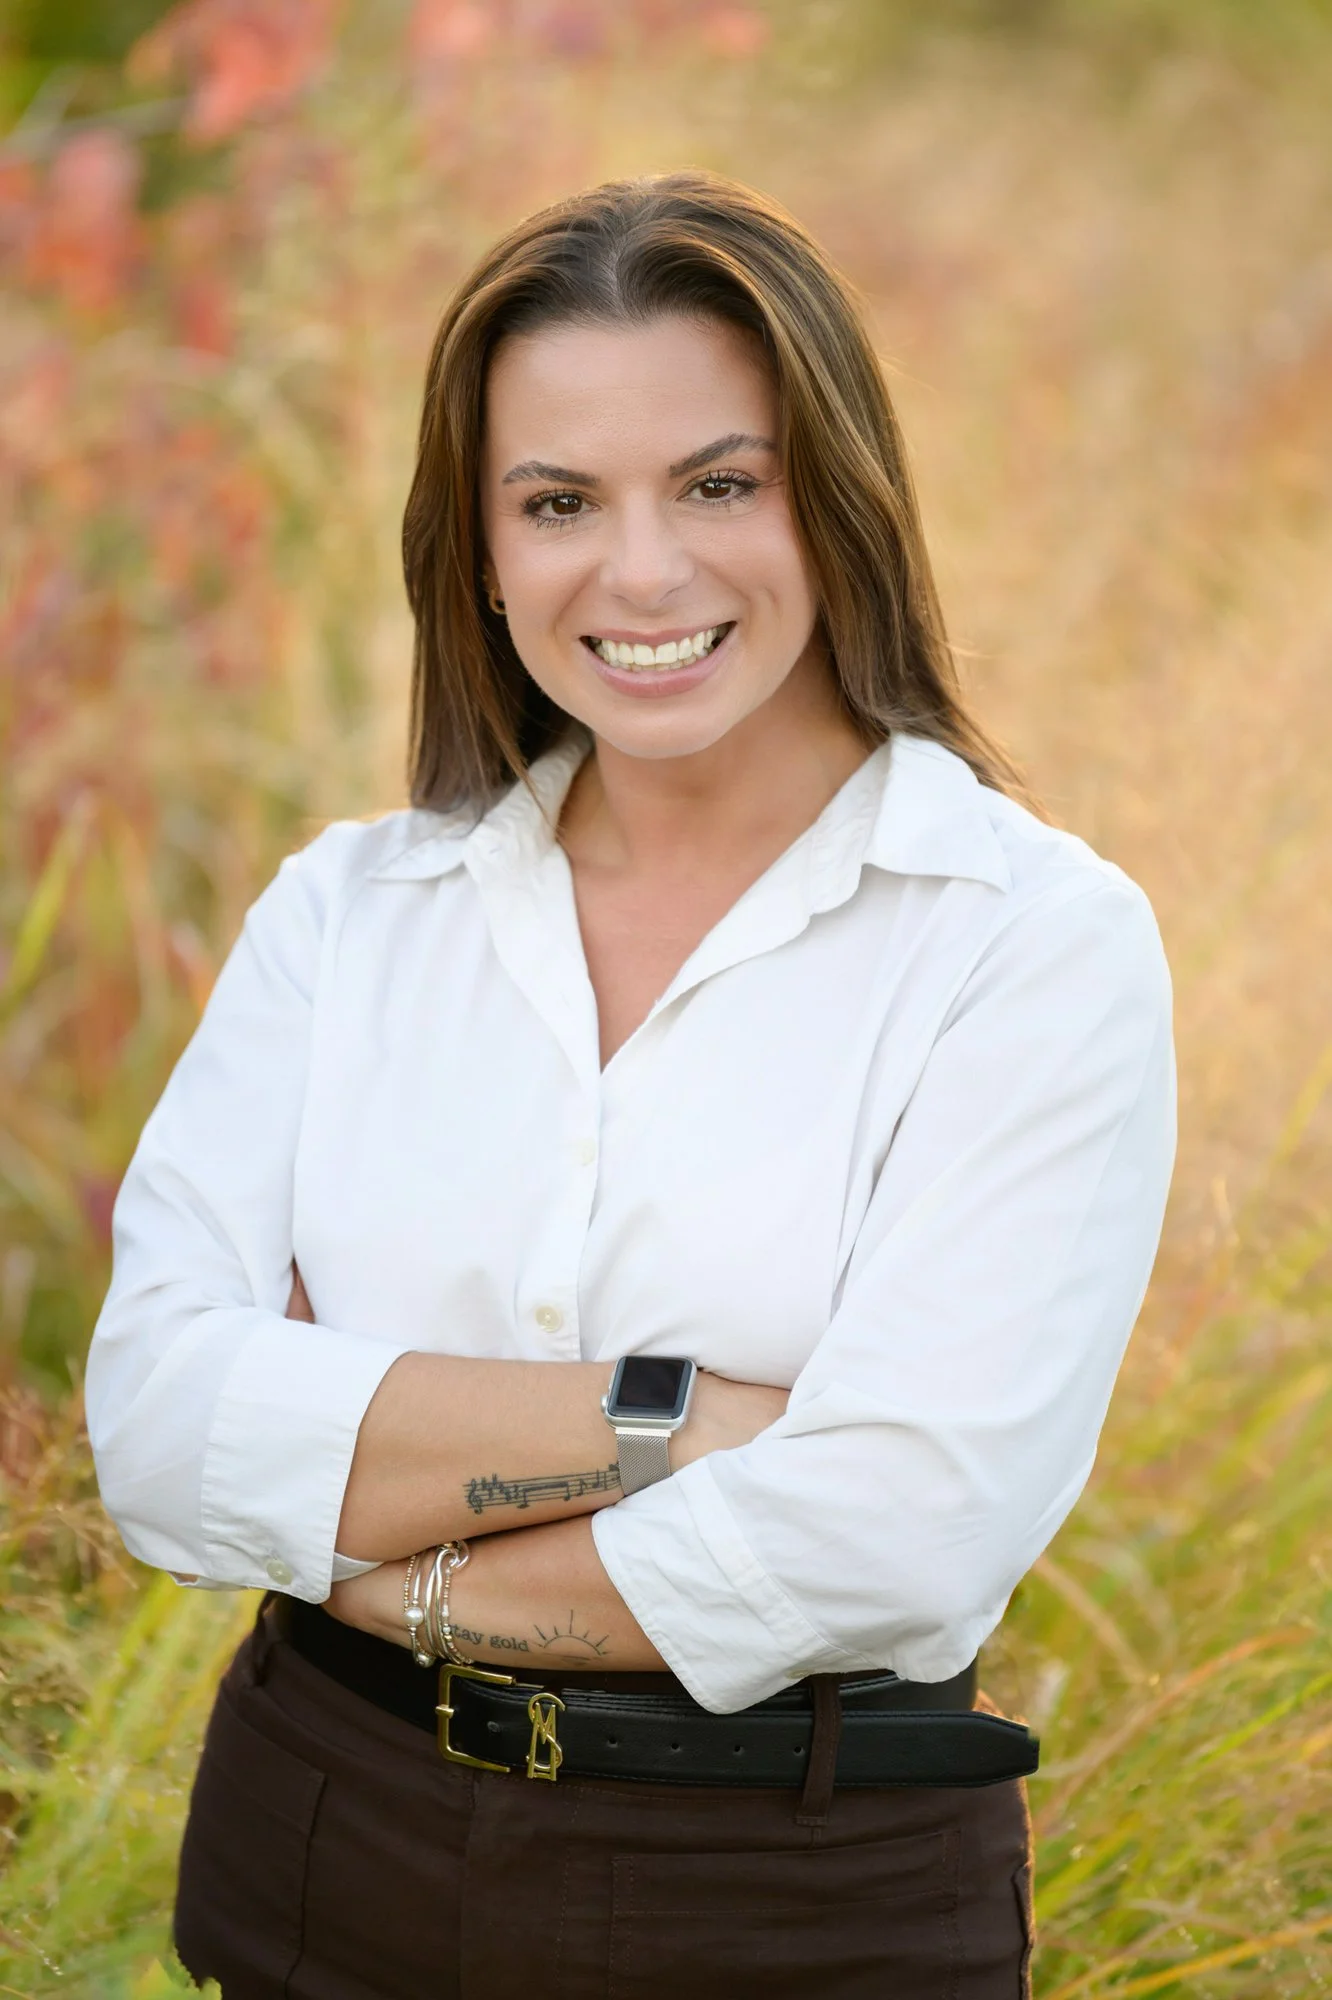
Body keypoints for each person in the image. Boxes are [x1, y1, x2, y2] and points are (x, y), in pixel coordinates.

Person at [85, 169, 1176, 1999]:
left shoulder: (1024, 944)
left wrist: (373, 1550)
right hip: (319, 1835)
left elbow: (893, 1532)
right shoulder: (350, 917)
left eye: (719, 484)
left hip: (790, 1899)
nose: (644, 571)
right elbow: (162, 1423)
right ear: (482, 550)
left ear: (834, 503)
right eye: (561, 501)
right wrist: (687, 1424)